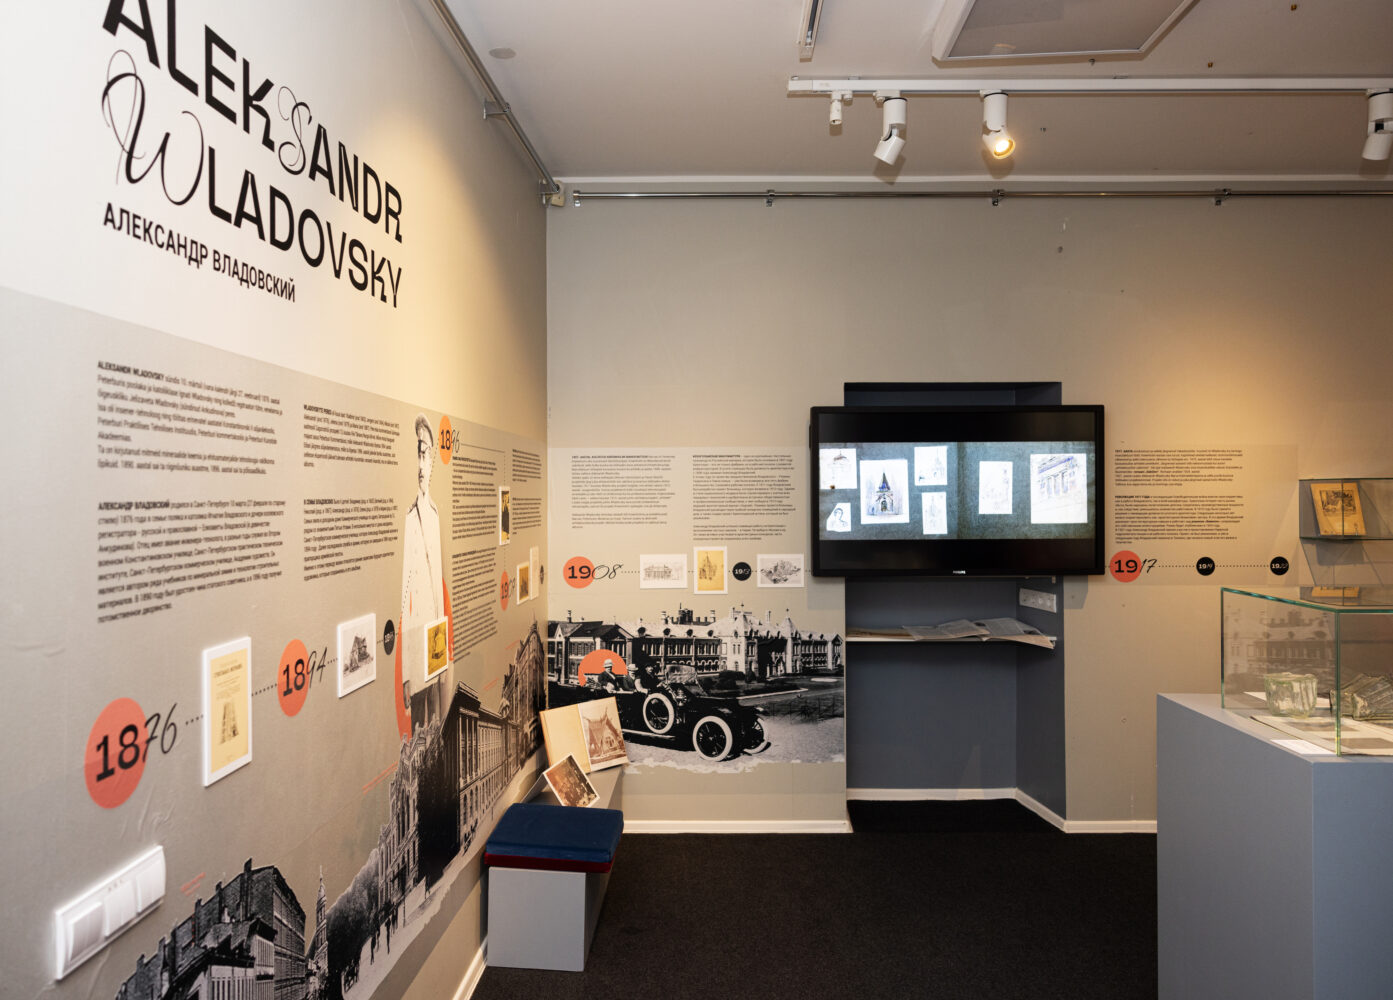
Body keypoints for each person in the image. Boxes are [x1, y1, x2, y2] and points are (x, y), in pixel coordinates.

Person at [401, 414, 445, 728]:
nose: (421, 463)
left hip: (435, 648)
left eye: (426, 454)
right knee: (418, 733)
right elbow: (405, 603)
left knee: (435, 731)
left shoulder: (434, 514)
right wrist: (406, 673)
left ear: (432, 463)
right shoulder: (410, 517)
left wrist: (442, 657)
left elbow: (438, 593)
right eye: (418, 453)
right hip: (417, 653)